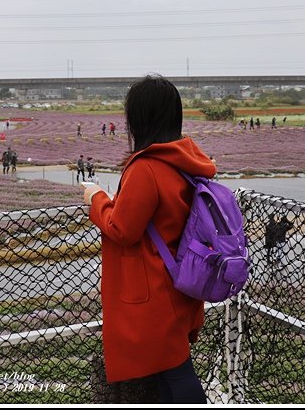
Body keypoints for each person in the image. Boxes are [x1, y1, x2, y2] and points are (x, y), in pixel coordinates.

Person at [83, 75, 210, 403]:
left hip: (154, 291)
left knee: (175, 372)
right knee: (172, 368)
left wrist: (96, 199)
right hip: (182, 280)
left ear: (140, 118)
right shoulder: (185, 159)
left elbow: (123, 230)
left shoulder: (146, 168)